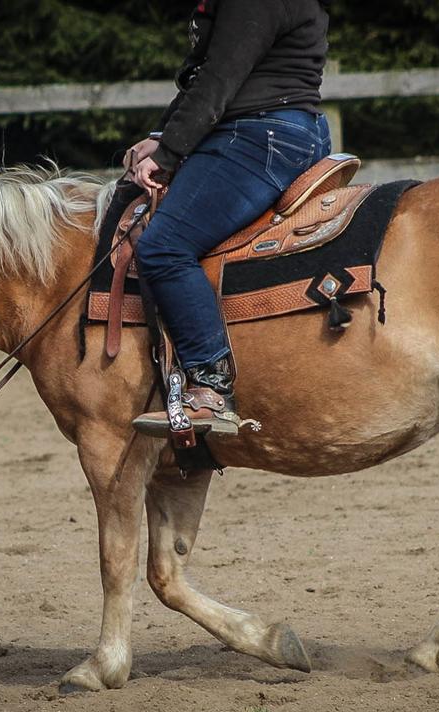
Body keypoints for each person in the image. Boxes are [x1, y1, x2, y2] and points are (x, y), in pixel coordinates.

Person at [121, 0, 334, 438]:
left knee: (164, 246)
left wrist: (169, 155)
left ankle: (211, 388)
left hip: (259, 134)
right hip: (275, 127)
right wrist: (162, 137)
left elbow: (222, 76)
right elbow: (210, 75)